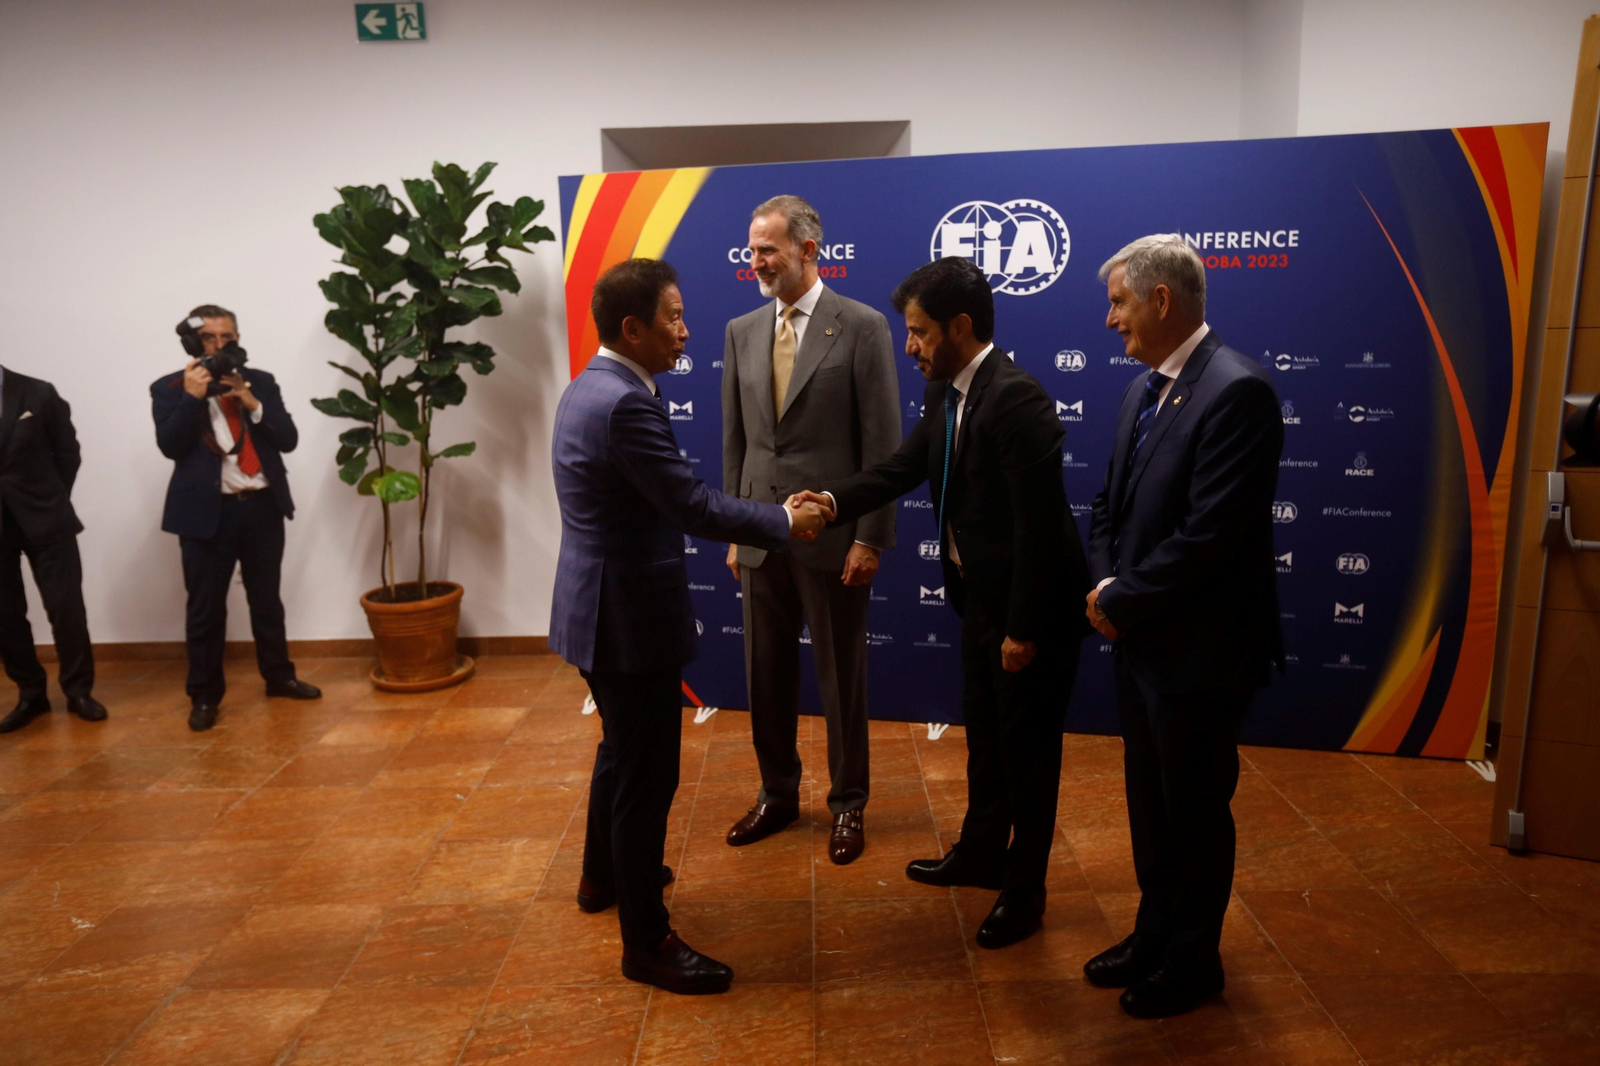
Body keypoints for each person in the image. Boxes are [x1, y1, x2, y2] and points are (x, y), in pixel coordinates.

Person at [550, 257, 831, 996]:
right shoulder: (626, 404)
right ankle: (647, 944)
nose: (684, 332)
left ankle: (600, 877)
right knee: (648, 778)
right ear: (632, 328)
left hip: (596, 610)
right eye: (672, 319)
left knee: (620, 752)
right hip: (627, 620)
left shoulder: (590, 385)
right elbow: (692, 505)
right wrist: (783, 520)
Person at [801, 256, 1091, 949]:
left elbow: (1040, 529)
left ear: (961, 327)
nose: (910, 347)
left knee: (1029, 757)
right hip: (981, 602)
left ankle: (1025, 892)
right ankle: (982, 853)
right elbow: (905, 468)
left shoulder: (1016, 398)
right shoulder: (949, 394)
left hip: (1031, 613)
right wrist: (834, 500)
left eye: (920, 332)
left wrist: (1022, 629)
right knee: (987, 743)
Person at [1082, 235, 1284, 1019]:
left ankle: (1194, 962)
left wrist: (1120, 600)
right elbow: (1109, 504)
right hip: (1140, 642)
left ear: (1161, 301)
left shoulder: (1238, 392)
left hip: (1201, 653)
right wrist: (1106, 586)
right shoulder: (1145, 387)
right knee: (1148, 801)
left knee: (1194, 810)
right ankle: (1152, 932)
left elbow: (1209, 537)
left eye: (1119, 303)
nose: (1110, 321)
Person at [721, 194, 900, 865]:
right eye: (752, 248)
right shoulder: (740, 330)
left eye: (767, 248)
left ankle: (849, 804)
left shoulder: (862, 326)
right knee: (764, 678)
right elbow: (736, 444)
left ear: (807, 249)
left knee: (840, 681)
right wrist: (740, 532)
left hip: (835, 541)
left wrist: (868, 536)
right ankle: (777, 794)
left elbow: (882, 443)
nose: (756, 260)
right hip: (763, 537)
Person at [150, 305, 320, 733]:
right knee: (205, 610)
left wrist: (252, 401)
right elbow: (170, 445)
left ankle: (279, 677)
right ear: (193, 343)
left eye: (228, 337)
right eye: (210, 338)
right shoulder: (169, 388)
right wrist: (192, 397)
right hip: (207, 514)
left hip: (262, 506)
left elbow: (288, 439)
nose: (220, 346)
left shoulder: (259, 381)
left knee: (267, 600)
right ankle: (205, 696)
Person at [0, 367, 106, 732]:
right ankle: (31, 692)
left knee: (66, 609)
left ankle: (79, 691)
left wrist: (52, 498)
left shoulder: (38, 392)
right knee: (5, 615)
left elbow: (67, 453)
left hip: (47, 518)